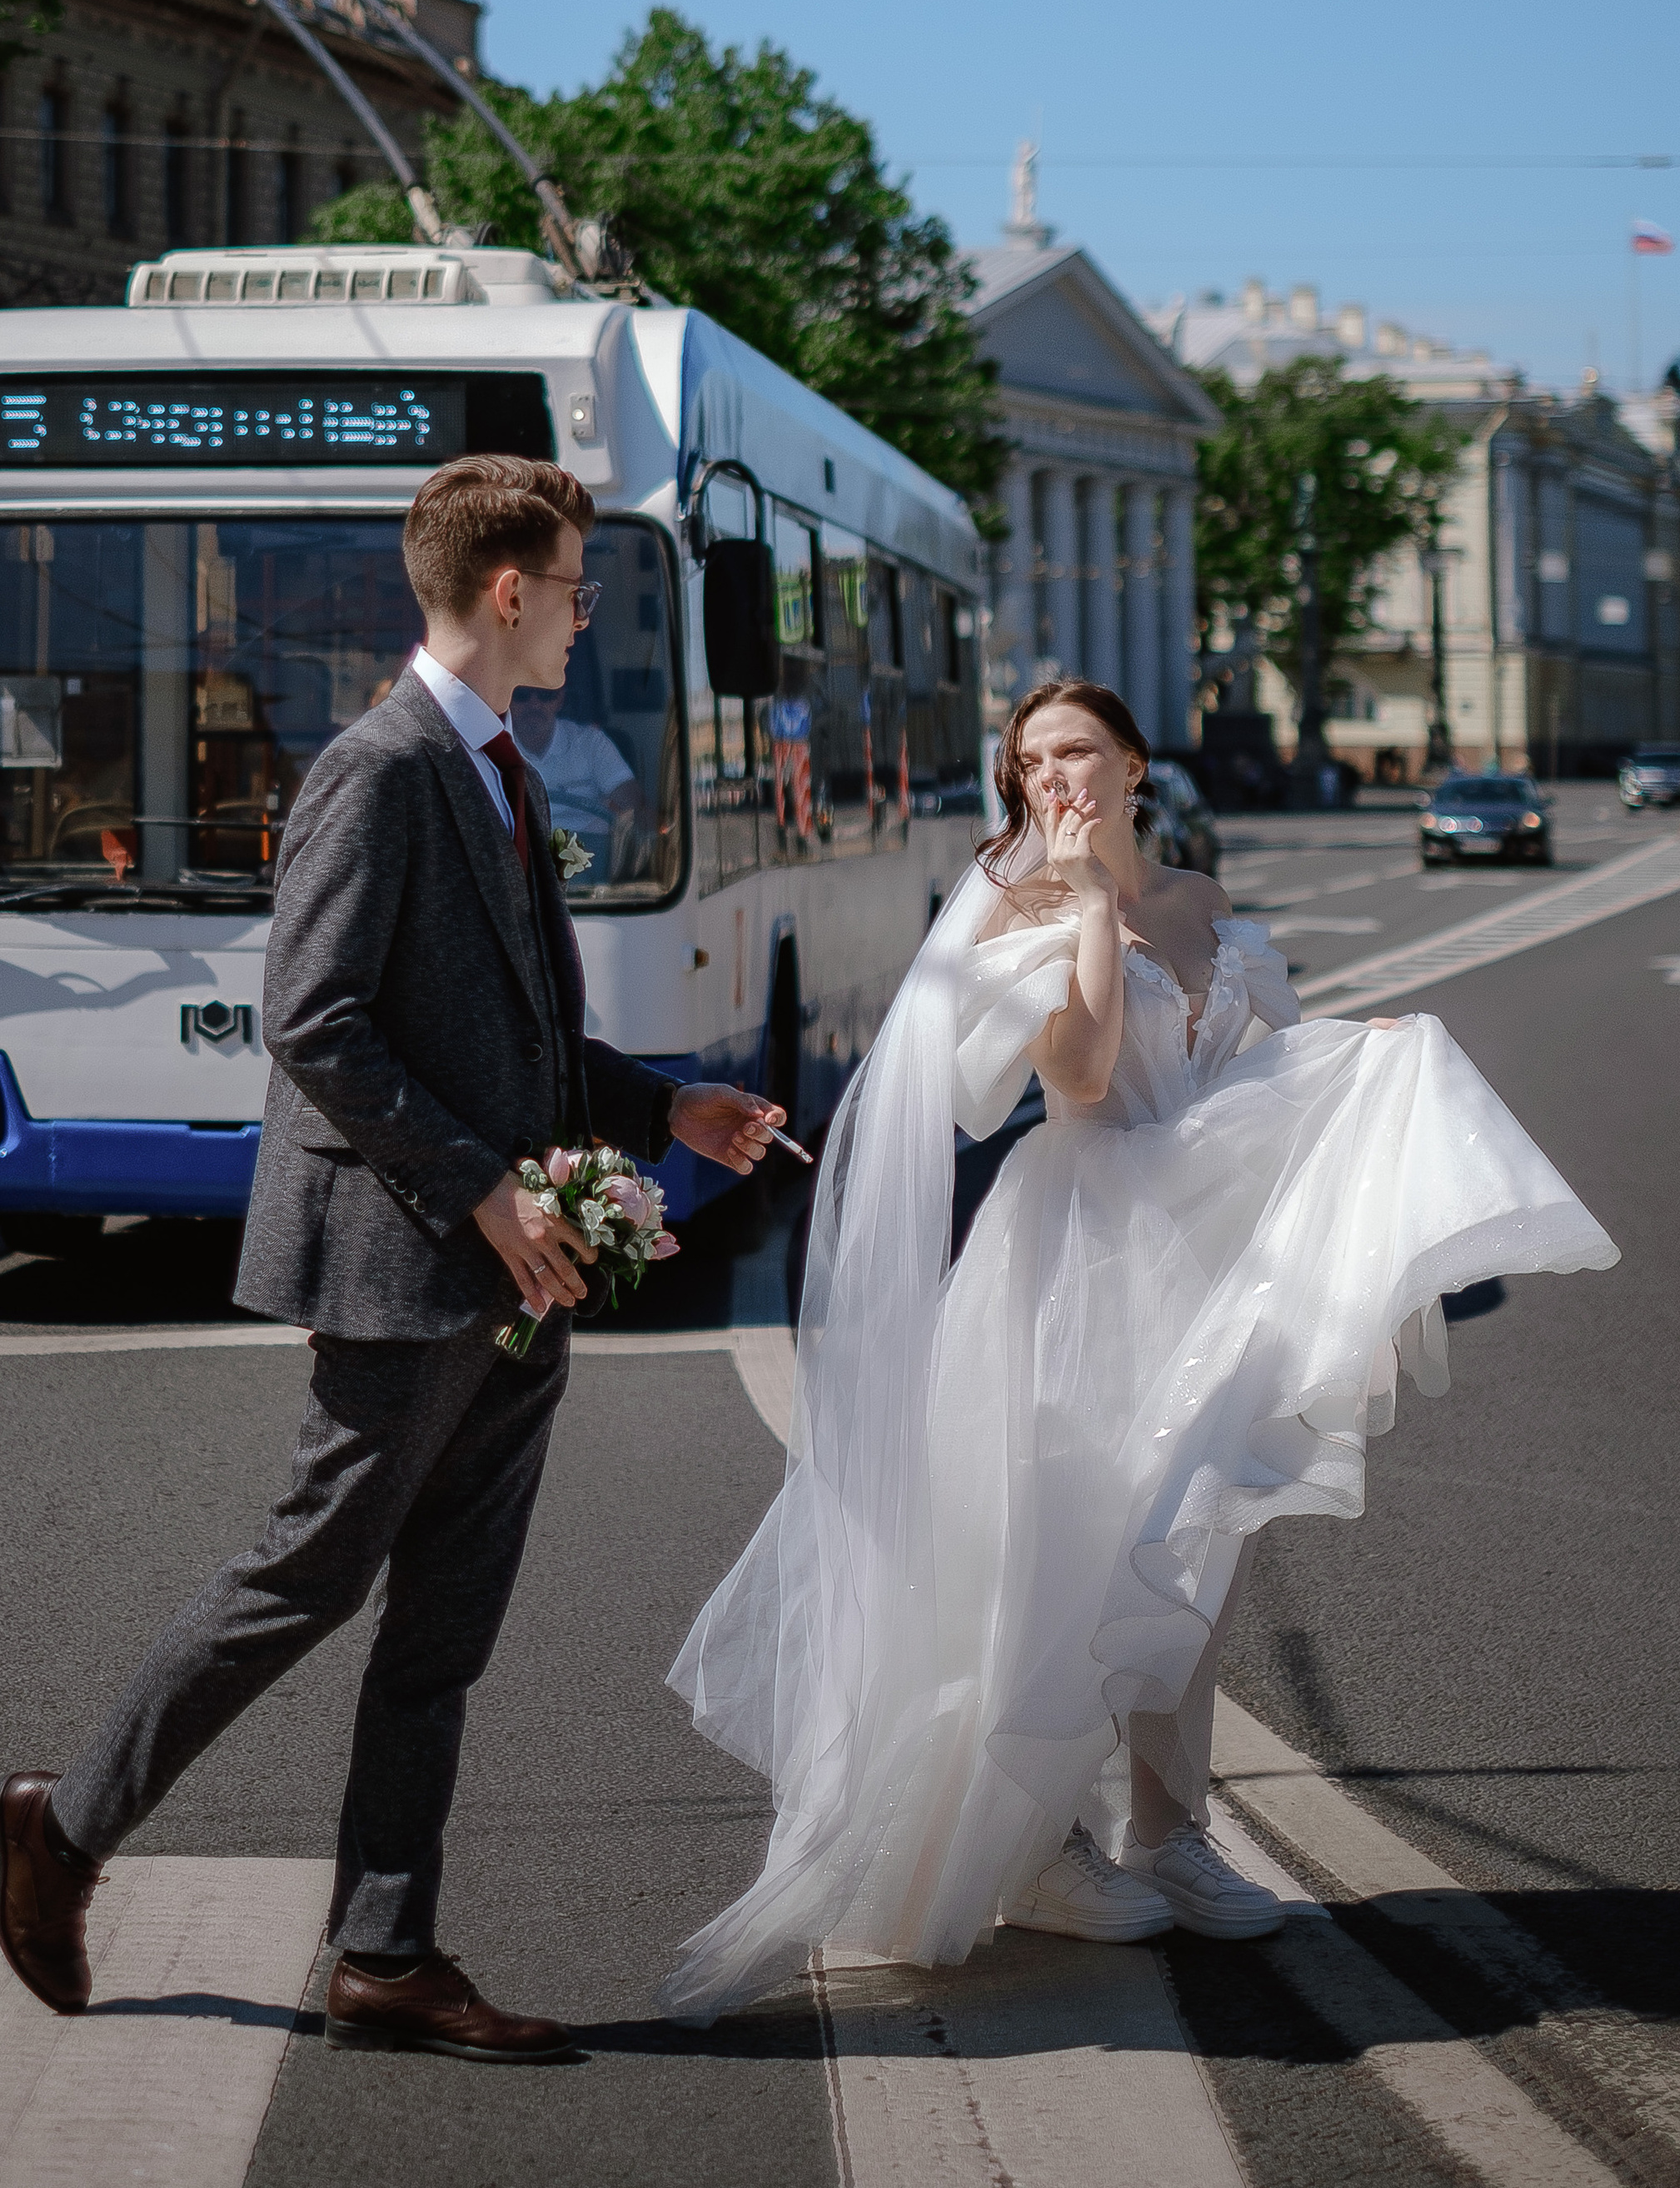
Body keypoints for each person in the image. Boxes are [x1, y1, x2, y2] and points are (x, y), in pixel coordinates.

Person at [0, 454, 785, 2062]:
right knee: (307, 1576)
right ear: (507, 591)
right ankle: (61, 1833)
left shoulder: (496, 763)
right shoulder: (382, 766)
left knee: (442, 1636)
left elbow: (525, 1031)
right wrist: (489, 1190)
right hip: (409, 1258)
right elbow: (318, 1023)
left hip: (516, 1274)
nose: (583, 611)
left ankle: (385, 1953)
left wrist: (662, 1103)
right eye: (573, 585)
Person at [660, 679, 1618, 2018]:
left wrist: (1364, 1052)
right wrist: (1090, 912)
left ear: (1131, 765)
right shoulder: (1009, 912)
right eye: (1033, 759)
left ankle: (1169, 1834)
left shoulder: (1205, 897)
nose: (1055, 777)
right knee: (1048, 1549)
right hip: (1075, 1257)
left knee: (1194, 1538)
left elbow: (1263, 1063)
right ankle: (1039, 1843)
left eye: (1079, 753)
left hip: (1209, 1257)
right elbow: (1089, 1080)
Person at [511, 680, 642, 849]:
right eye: (521, 694)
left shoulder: (591, 742)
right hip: (523, 855)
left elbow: (632, 801)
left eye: (546, 694)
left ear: (560, 699)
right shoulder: (491, 750)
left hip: (592, 858)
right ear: (508, 698)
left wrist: (647, 819)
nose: (534, 703)